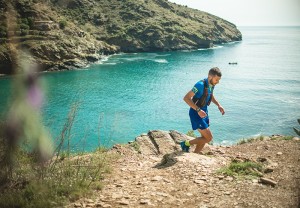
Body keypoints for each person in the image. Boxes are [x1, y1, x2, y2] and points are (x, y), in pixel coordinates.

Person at [181, 67, 225, 153]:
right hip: (196, 113)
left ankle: (195, 154)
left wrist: (218, 105)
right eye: (216, 80)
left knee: (204, 138)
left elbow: (210, 95)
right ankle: (186, 143)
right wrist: (198, 110)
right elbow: (186, 98)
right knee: (209, 138)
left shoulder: (212, 85)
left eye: (219, 80)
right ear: (210, 76)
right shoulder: (199, 85)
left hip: (204, 112)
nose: (218, 82)